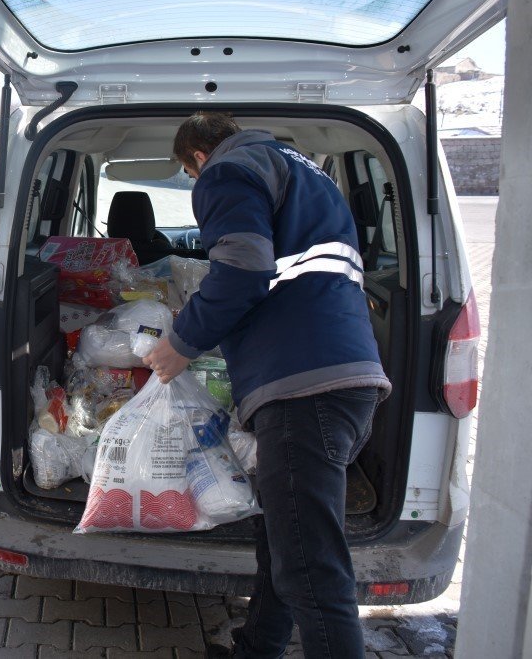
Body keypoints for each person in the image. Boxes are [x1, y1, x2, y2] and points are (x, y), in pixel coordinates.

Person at [143, 112, 391, 658]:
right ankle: (256, 649)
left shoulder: (228, 170)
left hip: (304, 386)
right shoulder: (307, 173)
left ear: (198, 158)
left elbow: (243, 269)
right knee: (285, 540)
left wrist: (181, 343)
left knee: (311, 568)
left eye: (191, 175)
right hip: (346, 375)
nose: (198, 182)